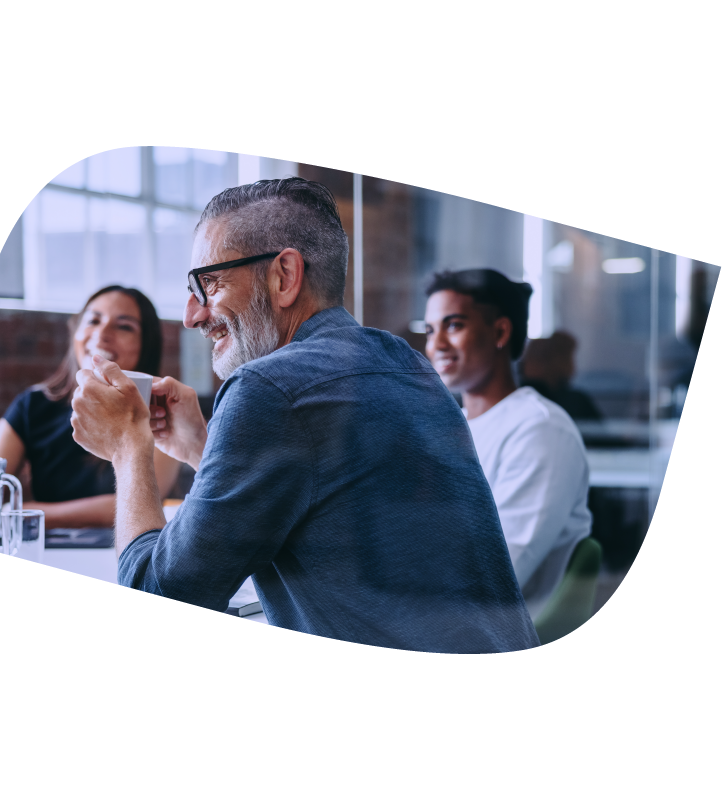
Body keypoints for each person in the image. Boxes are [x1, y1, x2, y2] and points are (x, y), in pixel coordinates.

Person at [71, 178, 539, 654]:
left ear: (284, 276)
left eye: (208, 284)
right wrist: (202, 448)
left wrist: (129, 446)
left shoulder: (268, 389)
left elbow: (157, 599)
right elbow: (324, 501)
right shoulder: (406, 364)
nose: (192, 314)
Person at [424, 269, 592, 619]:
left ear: (500, 331)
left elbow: (499, 573)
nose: (436, 344)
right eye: (430, 330)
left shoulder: (540, 430)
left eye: (453, 326)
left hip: (496, 632)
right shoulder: (451, 427)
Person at [0, 286, 180, 528]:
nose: (102, 333)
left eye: (124, 326)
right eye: (93, 320)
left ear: (146, 345)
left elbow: (143, 504)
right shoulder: (31, 404)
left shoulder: (160, 412)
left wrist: (33, 512)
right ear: (75, 332)